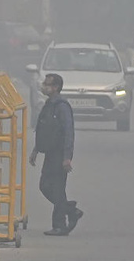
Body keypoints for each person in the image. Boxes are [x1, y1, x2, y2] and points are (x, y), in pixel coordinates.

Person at [29, 73, 83, 236]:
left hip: (59, 155)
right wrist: (36, 150)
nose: (44, 86)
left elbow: (68, 132)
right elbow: (43, 130)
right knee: (44, 186)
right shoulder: (49, 104)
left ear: (56, 87)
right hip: (50, 154)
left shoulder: (62, 106)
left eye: (47, 84)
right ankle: (71, 210)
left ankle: (59, 225)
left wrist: (67, 157)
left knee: (58, 189)